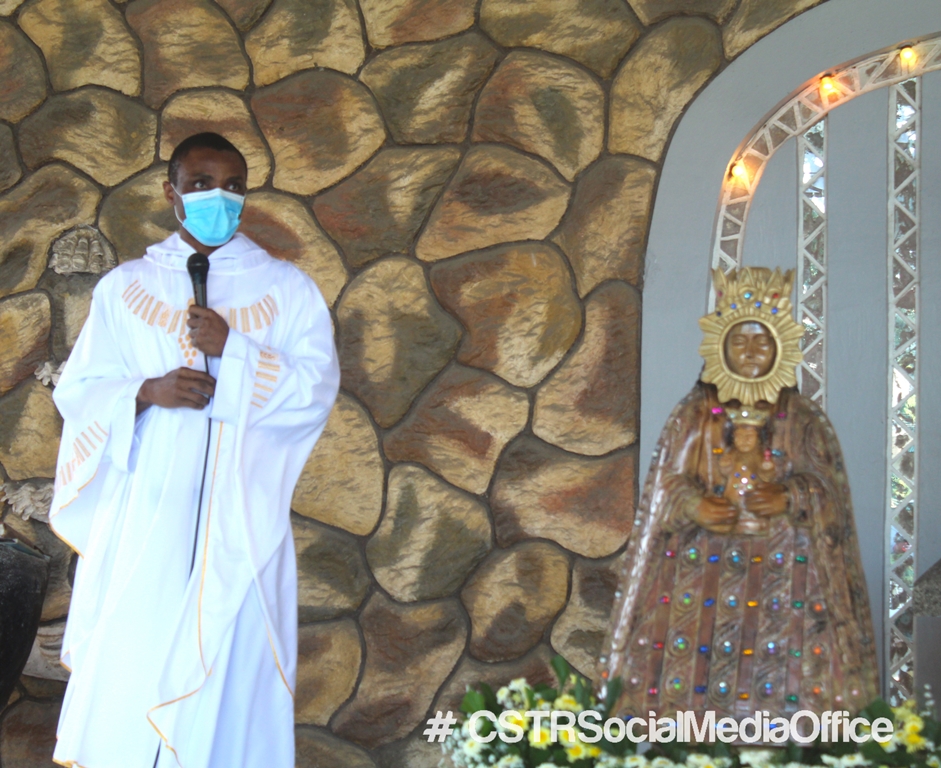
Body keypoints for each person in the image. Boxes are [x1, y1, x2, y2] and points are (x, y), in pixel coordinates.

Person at [48, 132, 340, 767]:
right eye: (203, 184)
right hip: (148, 514)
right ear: (171, 192)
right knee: (139, 657)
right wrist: (147, 390)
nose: (219, 198)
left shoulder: (287, 290)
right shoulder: (125, 289)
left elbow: (315, 390)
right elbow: (80, 392)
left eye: (234, 187)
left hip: (240, 520)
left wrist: (235, 352)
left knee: (225, 676)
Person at [598, 267, 878, 727]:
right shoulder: (696, 414)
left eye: (762, 340)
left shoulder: (803, 419)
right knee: (697, 693)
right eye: (740, 340)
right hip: (701, 577)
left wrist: (792, 495)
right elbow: (666, 485)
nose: (751, 352)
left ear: (781, 345)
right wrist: (694, 504)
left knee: (778, 688)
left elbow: (830, 494)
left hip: (786, 582)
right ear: (720, 345)